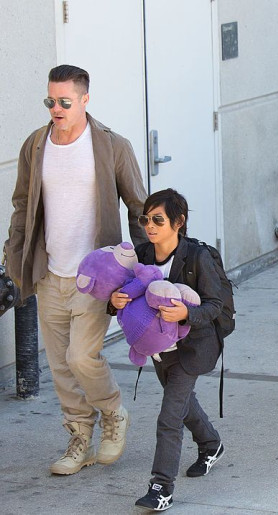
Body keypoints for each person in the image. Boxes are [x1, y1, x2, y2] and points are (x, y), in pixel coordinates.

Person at [4, 64, 147, 474]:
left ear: (85, 100)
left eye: (65, 101)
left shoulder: (111, 146)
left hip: (95, 276)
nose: (56, 108)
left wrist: (143, 269)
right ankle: (79, 437)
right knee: (61, 365)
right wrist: (16, 253)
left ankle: (113, 413)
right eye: (50, 100)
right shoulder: (35, 145)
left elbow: (137, 208)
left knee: (83, 358)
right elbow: (22, 204)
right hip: (50, 273)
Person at [110, 189, 225, 511]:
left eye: (157, 219)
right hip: (159, 350)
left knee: (169, 416)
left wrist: (187, 314)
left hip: (192, 349)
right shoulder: (143, 254)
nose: (149, 225)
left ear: (179, 222)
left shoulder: (198, 257)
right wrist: (114, 301)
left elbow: (216, 305)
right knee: (184, 404)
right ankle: (211, 444)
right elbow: (128, 293)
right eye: (145, 219)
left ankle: (161, 487)